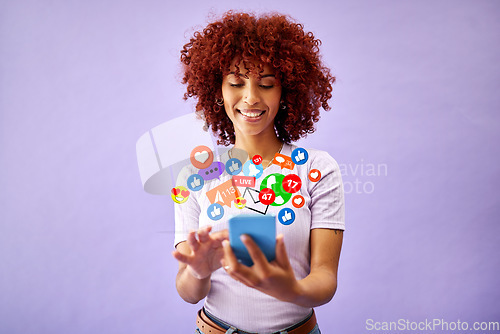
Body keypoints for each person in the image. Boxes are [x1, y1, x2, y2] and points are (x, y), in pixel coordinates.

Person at [172, 11, 345, 334]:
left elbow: (325, 279)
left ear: (285, 93)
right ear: (217, 90)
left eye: (266, 84)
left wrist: (289, 289)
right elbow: (187, 292)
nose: (251, 97)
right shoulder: (194, 176)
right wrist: (197, 272)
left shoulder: (318, 169)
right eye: (236, 83)